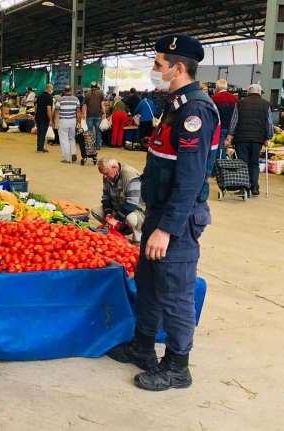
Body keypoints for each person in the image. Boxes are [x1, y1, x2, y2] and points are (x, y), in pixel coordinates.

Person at [107, 34, 218, 392]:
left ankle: (177, 367)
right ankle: (143, 346)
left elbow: (189, 180)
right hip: (158, 210)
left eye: (158, 64)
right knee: (150, 283)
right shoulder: (175, 104)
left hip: (179, 219)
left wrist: (166, 229)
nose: (155, 70)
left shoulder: (194, 111)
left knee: (175, 290)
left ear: (179, 67)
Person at [224, 84, 272, 197]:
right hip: (257, 139)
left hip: (241, 138)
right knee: (254, 163)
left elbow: (234, 121)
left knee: (242, 163)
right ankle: (254, 187)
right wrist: (268, 137)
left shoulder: (240, 103)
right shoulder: (266, 104)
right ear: (259, 91)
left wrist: (230, 136)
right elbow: (268, 123)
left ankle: (243, 188)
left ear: (248, 92)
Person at [91, 156, 145, 245]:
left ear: (114, 168)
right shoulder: (108, 176)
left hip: (136, 210)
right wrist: (108, 214)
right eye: (103, 174)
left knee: (131, 219)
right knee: (95, 211)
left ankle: (137, 240)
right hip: (118, 207)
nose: (104, 176)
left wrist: (116, 219)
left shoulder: (131, 176)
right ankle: (120, 229)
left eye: (105, 173)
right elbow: (105, 198)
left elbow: (131, 204)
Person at [211, 79, 237, 159]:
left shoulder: (214, 98)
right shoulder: (234, 98)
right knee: (231, 148)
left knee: (220, 148)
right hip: (232, 128)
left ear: (217, 88)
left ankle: (221, 166)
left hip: (220, 127)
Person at [55, 85, 81, 163]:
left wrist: (52, 121)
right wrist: (79, 122)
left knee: (64, 140)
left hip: (63, 121)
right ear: (71, 90)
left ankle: (67, 158)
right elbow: (78, 111)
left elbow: (56, 111)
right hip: (72, 121)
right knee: (71, 138)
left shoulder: (60, 100)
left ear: (64, 91)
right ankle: (73, 153)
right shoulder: (76, 99)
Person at [82, 82, 106, 149]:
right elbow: (103, 104)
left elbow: (84, 105)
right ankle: (97, 146)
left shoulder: (87, 94)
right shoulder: (101, 93)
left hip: (89, 115)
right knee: (98, 130)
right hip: (98, 115)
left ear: (90, 86)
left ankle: (90, 146)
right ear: (96, 86)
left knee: (89, 131)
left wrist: (83, 114)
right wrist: (104, 113)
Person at [34, 84, 54, 154]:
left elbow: (36, 107)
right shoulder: (49, 97)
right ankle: (40, 148)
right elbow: (49, 109)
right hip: (44, 117)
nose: (52, 90)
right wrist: (51, 119)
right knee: (43, 133)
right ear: (49, 89)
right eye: (52, 89)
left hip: (38, 116)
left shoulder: (39, 96)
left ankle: (38, 146)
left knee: (39, 132)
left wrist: (35, 115)